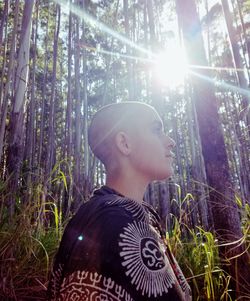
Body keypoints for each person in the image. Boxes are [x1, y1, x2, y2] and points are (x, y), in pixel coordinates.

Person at [47, 102, 192, 301]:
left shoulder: (121, 215)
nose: (170, 142)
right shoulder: (113, 221)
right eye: (156, 130)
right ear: (124, 143)